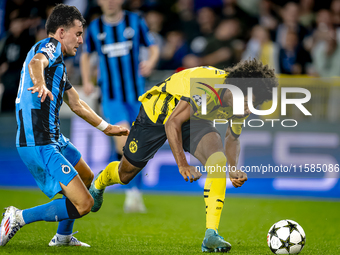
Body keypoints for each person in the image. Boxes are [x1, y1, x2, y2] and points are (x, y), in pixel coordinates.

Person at [89, 59, 278, 252]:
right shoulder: (208, 83)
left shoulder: (242, 105)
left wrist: (233, 168)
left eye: (252, 104)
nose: (247, 108)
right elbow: (173, 122)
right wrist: (183, 164)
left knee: (218, 161)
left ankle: (211, 234)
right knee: (126, 174)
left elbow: (232, 137)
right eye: (246, 101)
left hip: (196, 119)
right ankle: (100, 182)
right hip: (158, 113)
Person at [0, 4, 128, 247]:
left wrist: (107, 127)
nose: (81, 41)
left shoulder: (58, 65)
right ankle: (18, 217)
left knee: (87, 177)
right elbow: (36, 63)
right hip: (39, 141)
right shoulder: (49, 47)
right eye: (78, 34)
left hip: (54, 138)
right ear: (60, 32)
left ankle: (63, 237)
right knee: (84, 204)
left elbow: (77, 103)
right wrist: (39, 83)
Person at [80, 0, 159, 213]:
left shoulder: (135, 21)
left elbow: (153, 48)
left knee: (138, 146)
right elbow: (86, 54)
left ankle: (135, 192)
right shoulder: (95, 28)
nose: (110, 2)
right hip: (111, 97)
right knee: (124, 142)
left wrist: (150, 63)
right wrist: (87, 80)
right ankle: (131, 192)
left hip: (137, 96)